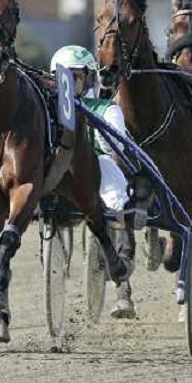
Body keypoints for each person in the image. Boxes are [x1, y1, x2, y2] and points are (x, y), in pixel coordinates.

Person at [50, 45, 136, 319]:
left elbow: (115, 148)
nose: (70, 83)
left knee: (115, 198)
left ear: (88, 80)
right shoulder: (46, 107)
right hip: (57, 171)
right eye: (64, 76)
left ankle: (122, 285)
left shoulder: (106, 108)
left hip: (98, 165)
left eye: (76, 77)